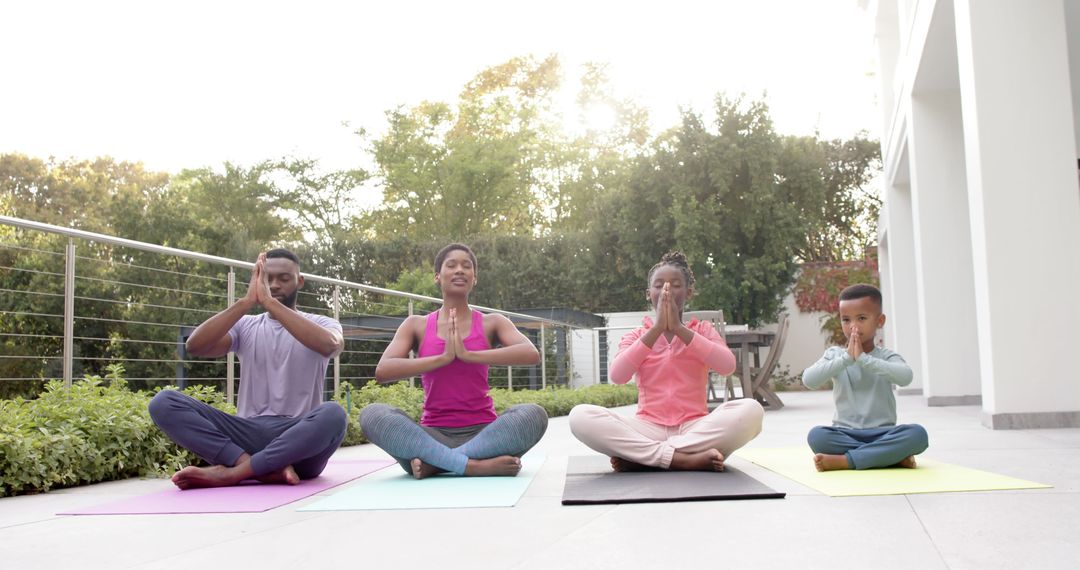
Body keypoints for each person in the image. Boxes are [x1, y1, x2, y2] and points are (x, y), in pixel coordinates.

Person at [148, 249, 348, 489]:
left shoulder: (323, 323)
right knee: (163, 402)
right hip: (247, 433)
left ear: (299, 281)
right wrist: (246, 303)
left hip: (298, 441)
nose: (274, 285)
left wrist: (271, 304)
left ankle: (234, 474)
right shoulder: (245, 325)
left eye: (284, 278)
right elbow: (195, 345)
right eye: (268, 279)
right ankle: (253, 467)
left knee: (334, 415)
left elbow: (329, 345)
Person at [360, 243, 549, 479]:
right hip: (433, 435)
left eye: (466, 266)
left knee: (533, 415)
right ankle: (473, 466)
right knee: (372, 415)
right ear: (438, 276)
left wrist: (469, 355)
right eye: (452, 265)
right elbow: (383, 369)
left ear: (474, 278)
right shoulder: (415, 324)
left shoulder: (493, 322)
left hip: (484, 434)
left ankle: (438, 464)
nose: (459, 270)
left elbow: (530, 353)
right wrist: (442, 358)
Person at [568, 251, 763, 472]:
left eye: (675, 284)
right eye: (659, 285)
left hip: (694, 427)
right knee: (580, 416)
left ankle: (646, 456)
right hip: (647, 427)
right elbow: (618, 376)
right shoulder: (636, 336)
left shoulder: (702, 331)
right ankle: (683, 459)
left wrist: (679, 330)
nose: (666, 290)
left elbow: (727, 367)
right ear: (648, 293)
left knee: (752, 411)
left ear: (689, 292)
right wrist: (657, 328)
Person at [802, 283, 928, 471]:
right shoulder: (835, 355)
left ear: (880, 320)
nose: (853, 326)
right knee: (817, 436)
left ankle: (847, 461)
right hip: (845, 434)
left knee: (918, 435)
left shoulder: (887, 356)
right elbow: (809, 380)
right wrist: (847, 359)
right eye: (846, 320)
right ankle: (889, 457)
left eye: (861, 318)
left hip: (884, 433)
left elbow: (906, 377)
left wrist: (863, 359)